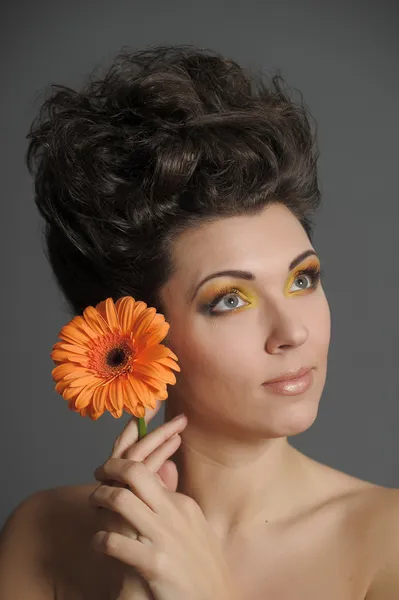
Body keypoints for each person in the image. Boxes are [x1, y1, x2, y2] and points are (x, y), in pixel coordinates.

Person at [0, 43, 398, 599]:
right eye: (230, 300)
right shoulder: (42, 535)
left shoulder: (388, 544)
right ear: (132, 333)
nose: (294, 332)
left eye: (302, 279)